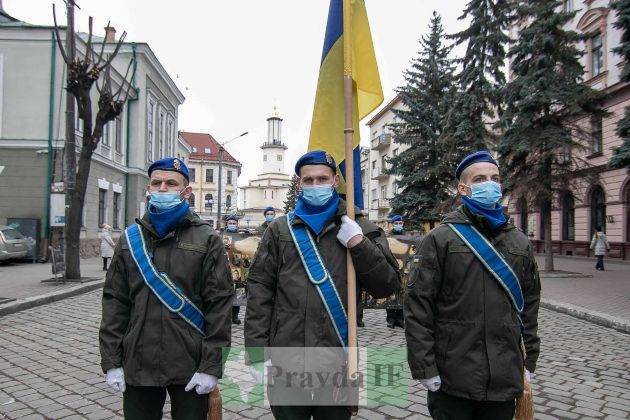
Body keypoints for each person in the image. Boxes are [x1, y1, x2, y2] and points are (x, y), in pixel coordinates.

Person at [245, 150, 400, 420]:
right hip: (286, 358)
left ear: (335, 180)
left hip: (337, 360)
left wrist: (359, 245)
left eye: (322, 179)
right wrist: (257, 352)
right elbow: (260, 292)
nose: (316, 186)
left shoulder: (359, 225)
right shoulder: (280, 230)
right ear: (299, 184)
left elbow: (387, 286)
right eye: (309, 180)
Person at [404, 151, 541, 420]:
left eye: (495, 178)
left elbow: (530, 304)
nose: (489, 184)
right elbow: (418, 306)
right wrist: (425, 366)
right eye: (480, 179)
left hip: (503, 378)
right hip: (453, 378)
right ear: (463, 188)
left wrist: (529, 358)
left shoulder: (520, 242)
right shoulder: (440, 239)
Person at [99, 157, 233, 420]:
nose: (162, 189)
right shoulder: (130, 238)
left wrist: (211, 366)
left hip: (190, 362)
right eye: (156, 183)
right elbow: (115, 301)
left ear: (186, 191)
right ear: (148, 188)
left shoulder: (207, 239)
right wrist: (111, 360)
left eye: (171, 183)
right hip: (138, 360)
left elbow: (219, 306)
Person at [385, 215, 406, 329]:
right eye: (396, 223)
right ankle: (391, 319)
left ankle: (400, 318)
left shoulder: (406, 235)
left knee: (402, 293)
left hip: (403, 268)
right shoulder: (388, 236)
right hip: (392, 267)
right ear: (393, 224)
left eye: (400, 222)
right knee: (392, 294)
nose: (399, 224)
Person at [223, 214, 245, 325]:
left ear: (237, 224)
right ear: (226, 224)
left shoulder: (241, 235)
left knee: (239, 293)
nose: (232, 225)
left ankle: (235, 316)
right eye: (230, 223)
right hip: (226, 269)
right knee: (226, 292)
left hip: (240, 270)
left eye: (234, 223)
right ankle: (226, 316)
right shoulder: (222, 235)